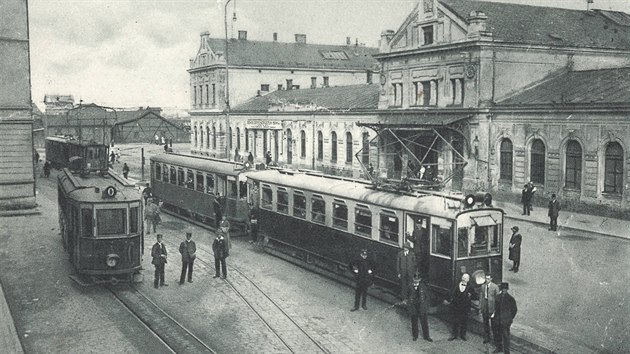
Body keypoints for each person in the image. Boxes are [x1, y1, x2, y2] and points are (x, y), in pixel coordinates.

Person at [447, 273, 477, 341]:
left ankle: (463, 335)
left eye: (466, 278)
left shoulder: (471, 287)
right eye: (463, 278)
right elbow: (451, 294)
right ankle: (454, 335)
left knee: (464, 321)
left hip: (465, 307)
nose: (464, 279)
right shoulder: (457, 285)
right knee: (455, 321)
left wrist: (471, 295)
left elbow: (475, 297)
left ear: (468, 280)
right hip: (456, 307)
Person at [492, 282, 518, 353]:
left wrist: (510, 318)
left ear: (507, 289)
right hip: (498, 320)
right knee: (498, 335)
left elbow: (514, 310)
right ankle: (499, 348)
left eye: (505, 289)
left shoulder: (510, 299)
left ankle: (506, 351)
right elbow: (495, 308)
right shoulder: (497, 297)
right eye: (503, 289)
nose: (504, 290)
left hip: (506, 321)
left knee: (506, 336)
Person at [409, 273, 432, 342]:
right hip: (414, 307)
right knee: (414, 322)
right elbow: (407, 296)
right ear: (413, 279)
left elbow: (427, 297)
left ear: (420, 279)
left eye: (418, 279)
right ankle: (415, 336)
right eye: (415, 279)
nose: (416, 280)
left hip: (422, 307)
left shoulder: (423, 286)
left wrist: (426, 306)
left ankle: (426, 336)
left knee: (424, 322)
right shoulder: (410, 286)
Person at [480, 273, 500, 345]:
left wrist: (496, 309)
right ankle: (487, 338)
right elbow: (481, 296)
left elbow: (497, 299)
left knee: (494, 325)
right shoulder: (483, 286)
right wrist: (480, 306)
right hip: (485, 306)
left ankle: (495, 340)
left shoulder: (495, 287)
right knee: (485, 323)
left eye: (488, 279)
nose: (487, 280)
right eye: (486, 278)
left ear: (491, 279)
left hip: (492, 307)